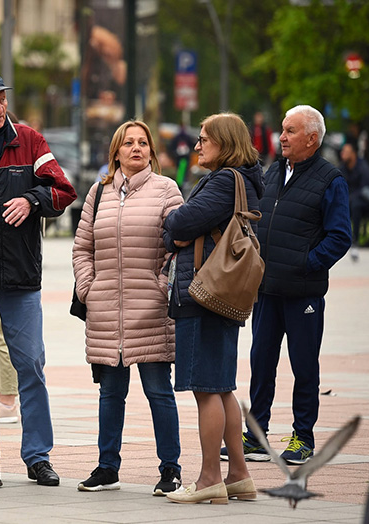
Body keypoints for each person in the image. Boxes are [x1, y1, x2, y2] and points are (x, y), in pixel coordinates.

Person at [0, 71, 77, 486]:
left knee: (32, 365)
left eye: (2, 98)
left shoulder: (30, 139)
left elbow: (63, 190)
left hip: (22, 278)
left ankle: (38, 456)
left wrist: (31, 198)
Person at [222, 105, 351, 467]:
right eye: (282, 130)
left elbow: (340, 237)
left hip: (303, 293)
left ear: (312, 138)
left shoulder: (330, 179)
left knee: (304, 366)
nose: (281, 137)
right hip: (266, 290)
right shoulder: (274, 171)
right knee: (261, 362)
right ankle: (257, 437)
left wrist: (306, 265)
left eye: (290, 131)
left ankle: (302, 438)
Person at [73, 120, 184, 495]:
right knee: (110, 394)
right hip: (105, 309)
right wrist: (89, 287)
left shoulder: (166, 190)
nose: (136, 148)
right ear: (116, 151)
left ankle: (170, 469)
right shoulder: (98, 192)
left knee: (158, 390)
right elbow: (82, 246)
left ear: (151, 151)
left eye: (143, 143)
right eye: (128, 143)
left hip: (150, 308)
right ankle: (108, 468)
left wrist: (161, 287)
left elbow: (180, 247)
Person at [163, 113, 263, 504]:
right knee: (222, 388)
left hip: (203, 293)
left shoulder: (224, 180)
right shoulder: (248, 179)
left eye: (204, 139)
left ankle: (209, 479)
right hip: (224, 294)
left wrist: (174, 226)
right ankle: (238, 475)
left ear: (224, 143)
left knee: (206, 389)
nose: (196, 146)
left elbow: (180, 222)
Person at [339, 142, 369, 253]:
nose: (343, 154)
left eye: (346, 152)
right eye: (342, 151)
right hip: (348, 199)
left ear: (353, 154)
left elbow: (366, 189)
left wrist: (350, 198)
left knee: (355, 205)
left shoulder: (363, 167)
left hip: (365, 201)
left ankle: (355, 238)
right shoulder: (343, 167)